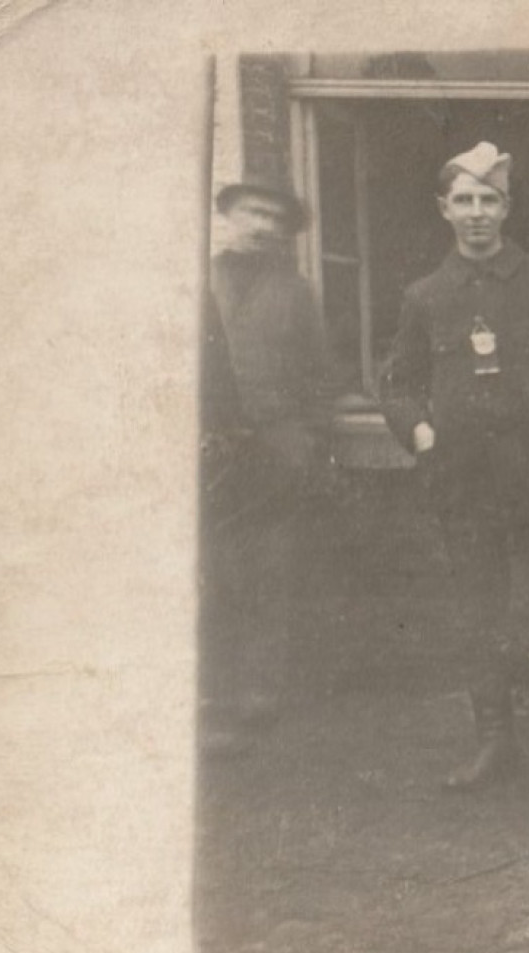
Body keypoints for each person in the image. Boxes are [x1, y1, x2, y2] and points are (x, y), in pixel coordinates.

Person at [380, 142, 529, 790]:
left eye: (489, 200)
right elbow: (397, 383)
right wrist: (422, 432)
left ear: (507, 207)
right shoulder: (426, 296)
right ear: (443, 209)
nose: (477, 213)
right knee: (476, 614)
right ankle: (495, 743)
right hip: (463, 486)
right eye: (464, 200)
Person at [203, 176, 332, 756]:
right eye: (252, 213)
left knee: (270, 571)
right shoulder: (195, 279)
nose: (262, 226)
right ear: (228, 214)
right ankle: (211, 696)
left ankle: (261, 693)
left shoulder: (295, 291)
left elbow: (316, 375)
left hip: (278, 448)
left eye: (275, 220)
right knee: (212, 574)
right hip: (209, 451)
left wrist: (305, 440)